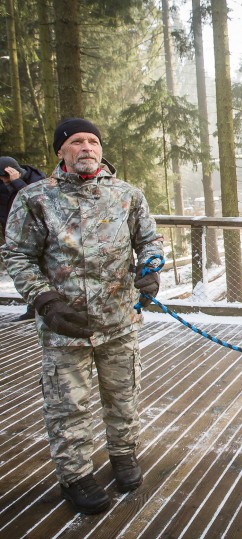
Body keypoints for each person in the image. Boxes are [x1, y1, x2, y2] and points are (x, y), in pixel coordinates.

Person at [0, 118, 163, 515]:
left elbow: (149, 239)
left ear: (101, 149)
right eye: (76, 141)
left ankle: (123, 455)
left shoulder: (127, 195)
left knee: (123, 397)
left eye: (93, 140)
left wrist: (151, 266)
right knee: (67, 404)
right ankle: (75, 476)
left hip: (119, 321)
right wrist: (45, 301)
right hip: (64, 326)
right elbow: (16, 254)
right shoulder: (36, 198)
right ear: (61, 151)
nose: (87, 146)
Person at [0, 156, 46, 321]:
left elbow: (38, 203)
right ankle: (32, 307)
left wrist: (16, 183)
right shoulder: (3, 183)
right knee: (23, 272)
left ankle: (39, 307)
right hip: (14, 234)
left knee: (41, 271)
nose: (3, 181)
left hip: (38, 235)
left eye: (4, 178)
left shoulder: (37, 180)